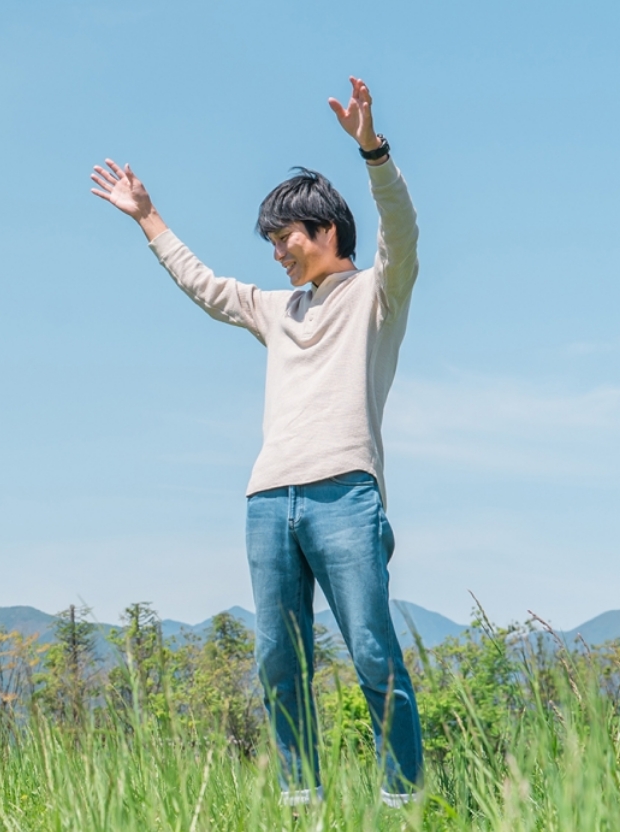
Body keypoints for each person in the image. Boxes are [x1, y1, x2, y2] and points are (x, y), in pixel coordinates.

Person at [88, 77, 424, 807]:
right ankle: (302, 801)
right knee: (279, 659)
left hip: (345, 493)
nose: (277, 253)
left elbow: (402, 225)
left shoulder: (377, 293)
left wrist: (372, 149)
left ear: (327, 232)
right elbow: (205, 286)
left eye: (286, 238)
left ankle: (405, 802)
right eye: (270, 242)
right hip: (269, 499)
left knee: (371, 651)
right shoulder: (276, 309)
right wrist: (149, 219)